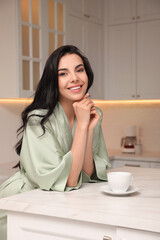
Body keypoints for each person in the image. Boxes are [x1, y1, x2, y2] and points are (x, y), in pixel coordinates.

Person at [0, 45, 110, 239]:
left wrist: (88, 130)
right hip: (20, 204)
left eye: (79, 69)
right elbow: (69, 180)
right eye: (63, 73)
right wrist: (83, 126)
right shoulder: (37, 120)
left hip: (56, 205)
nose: (75, 78)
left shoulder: (90, 114)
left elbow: (87, 172)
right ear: (53, 81)